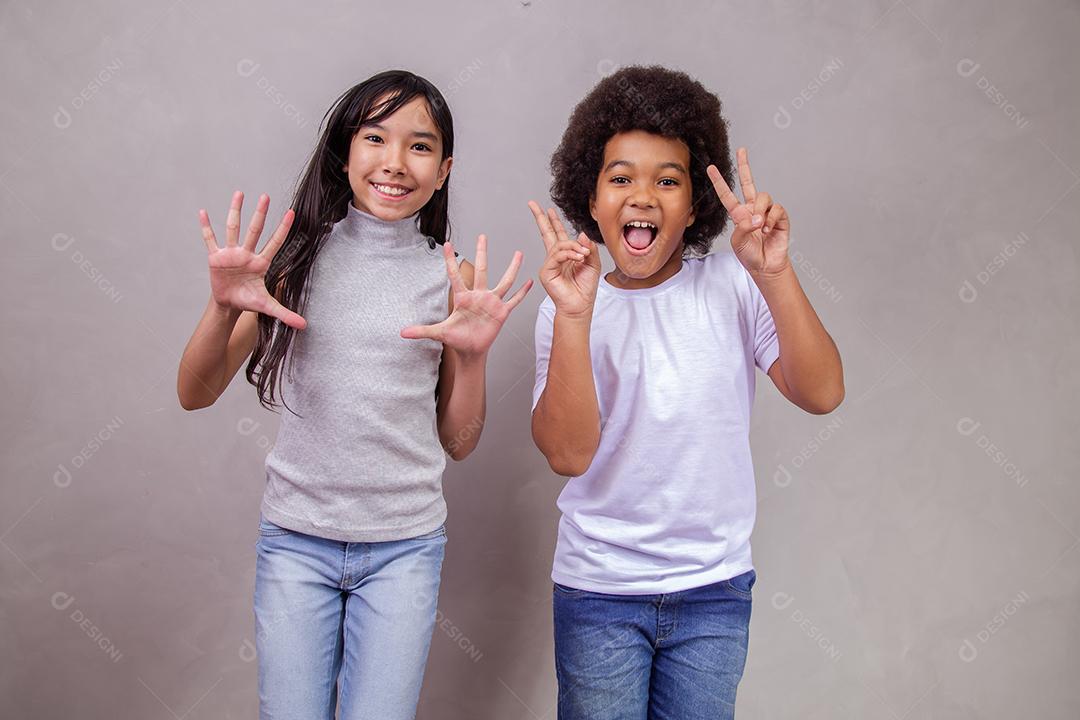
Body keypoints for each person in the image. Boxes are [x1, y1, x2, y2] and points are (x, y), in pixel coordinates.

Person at [177, 69, 532, 720]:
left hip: (403, 549)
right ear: (345, 152)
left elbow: (459, 442)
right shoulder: (291, 264)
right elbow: (194, 394)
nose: (396, 162)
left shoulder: (451, 281)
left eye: (420, 146)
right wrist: (221, 308)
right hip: (296, 542)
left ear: (444, 168)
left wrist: (473, 358)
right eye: (375, 138)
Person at [528, 64, 844, 719]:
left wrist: (776, 272)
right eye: (620, 178)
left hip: (713, 591)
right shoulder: (567, 306)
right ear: (589, 199)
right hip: (599, 594)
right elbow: (566, 454)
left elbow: (822, 393)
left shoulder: (734, 284)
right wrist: (576, 319)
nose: (642, 196)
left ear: (695, 206)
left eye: (667, 180)